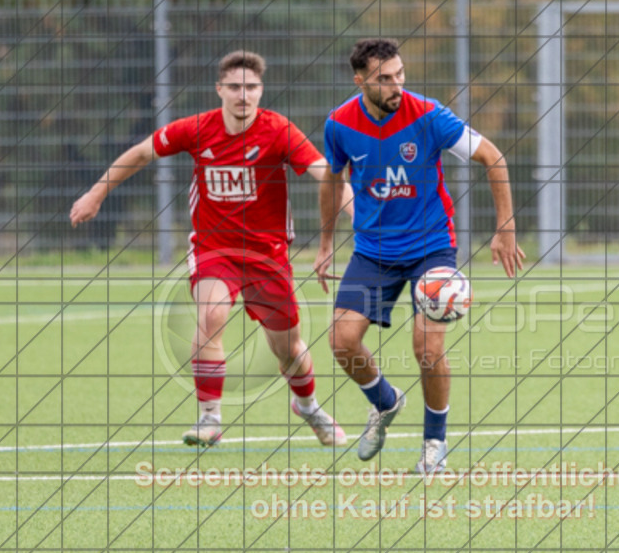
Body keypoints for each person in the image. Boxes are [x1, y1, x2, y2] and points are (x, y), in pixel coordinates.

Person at [70, 50, 353, 449]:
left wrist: (360, 215)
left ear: (261, 91)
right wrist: (96, 193)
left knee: (288, 347)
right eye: (235, 87)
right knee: (211, 314)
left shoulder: (279, 131)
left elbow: (328, 174)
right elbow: (141, 152)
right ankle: (209, 418)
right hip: (213, 249)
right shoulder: (197, 129)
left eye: (251, 87)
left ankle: (307, 406)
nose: (243, 95)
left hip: (267, 255)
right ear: (219, 89)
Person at [314, 38, 526, 474]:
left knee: (426, 346)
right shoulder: (338, 125)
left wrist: (505, 227)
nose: (396, 85)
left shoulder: (428, 115)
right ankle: (385, 402)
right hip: (373, 250)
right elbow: (332, 182)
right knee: (341, 341)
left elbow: (493, 156)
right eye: (384, 79)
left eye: (400, 75)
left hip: (431, 245)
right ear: (360, 81)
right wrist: (323, 245)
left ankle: (434, 445)